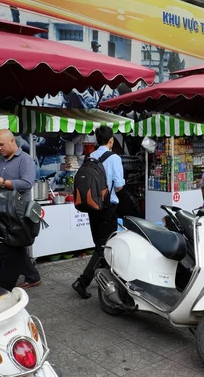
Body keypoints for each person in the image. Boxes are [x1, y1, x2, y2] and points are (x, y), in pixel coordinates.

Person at [72, 126, 124, 299]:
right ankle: (83, 281)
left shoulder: (89, 157)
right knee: (104, 247)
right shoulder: (114, 158)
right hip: (107, 207)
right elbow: (119, 185)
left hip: (91, 205)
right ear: (111, 141)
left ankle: (105, 276)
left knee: (100, 244)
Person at [0, 129, 41, 288]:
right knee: (10, 242)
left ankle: (31, 275)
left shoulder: (25, 160)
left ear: (12, 142)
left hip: (19, 210)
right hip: (3, 208)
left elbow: (27, 183)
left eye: (1, 144)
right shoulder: (1, 161)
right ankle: (30, 275)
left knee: (17, 242)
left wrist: (2, 182)